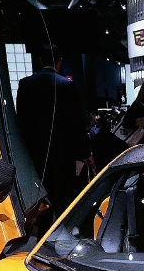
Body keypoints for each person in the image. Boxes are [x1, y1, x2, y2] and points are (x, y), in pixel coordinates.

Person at [14, 45, 92, 218]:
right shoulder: (66, 85)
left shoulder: (25, 84)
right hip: (63, 154)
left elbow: (20, 121)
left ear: (41, 60)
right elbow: (76, 123)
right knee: (63, 198)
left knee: (40, 198)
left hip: (34, 154)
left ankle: (41, 234)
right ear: (59, 62)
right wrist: (85, 152)